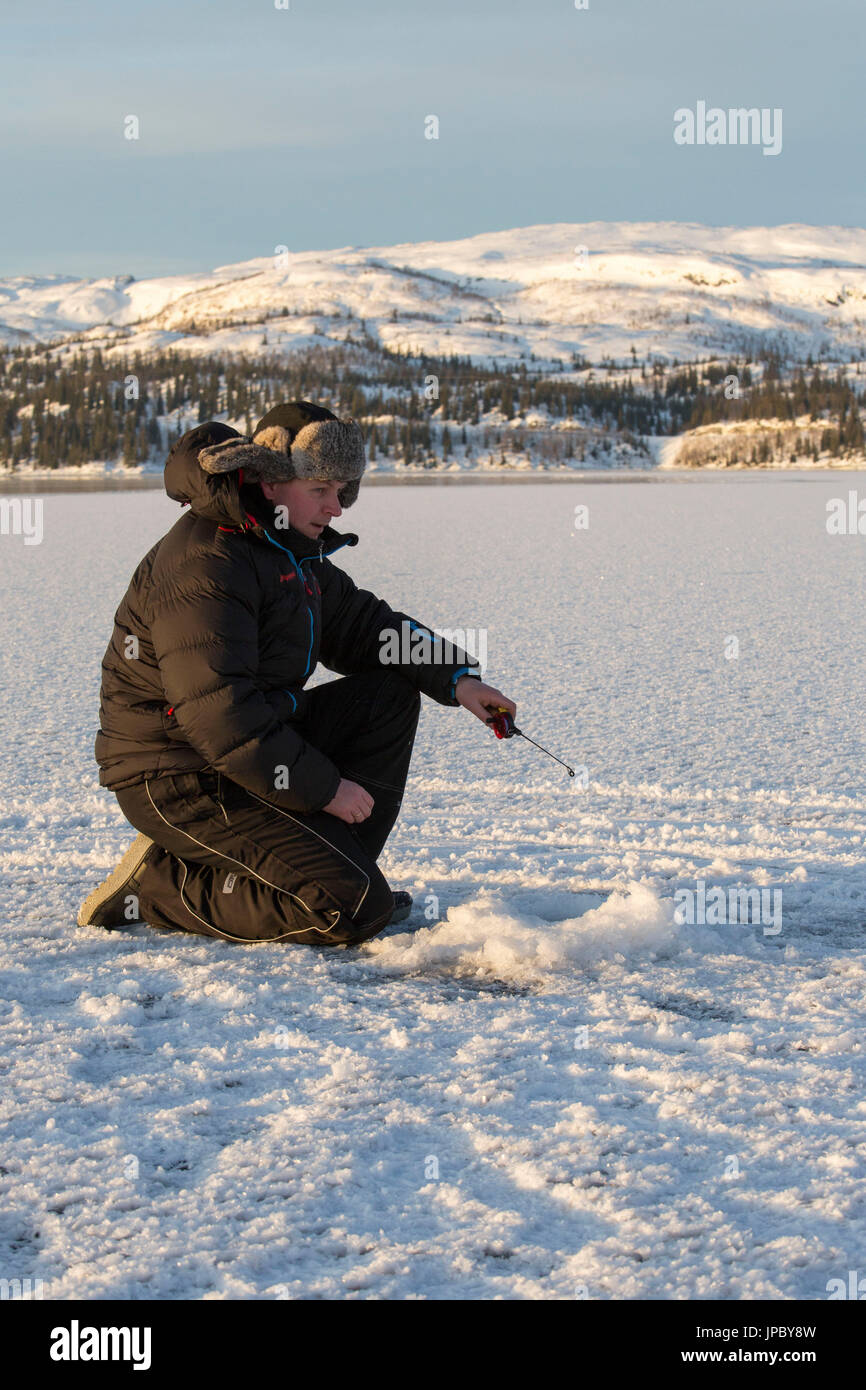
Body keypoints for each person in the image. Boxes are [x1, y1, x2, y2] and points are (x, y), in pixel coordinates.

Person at [77, 399, 517, 946]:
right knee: (351, 911)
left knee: (388, 695)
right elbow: (219, 715)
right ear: (269, 480)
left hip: (249, 750)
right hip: (177, 773)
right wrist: (325, 788)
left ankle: (337, 873)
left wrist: (458, 680)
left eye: (342, 491)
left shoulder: (288, 551)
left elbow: (365, 626)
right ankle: (159, 886)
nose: (337, 508)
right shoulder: (206, 565)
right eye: (321, 490)